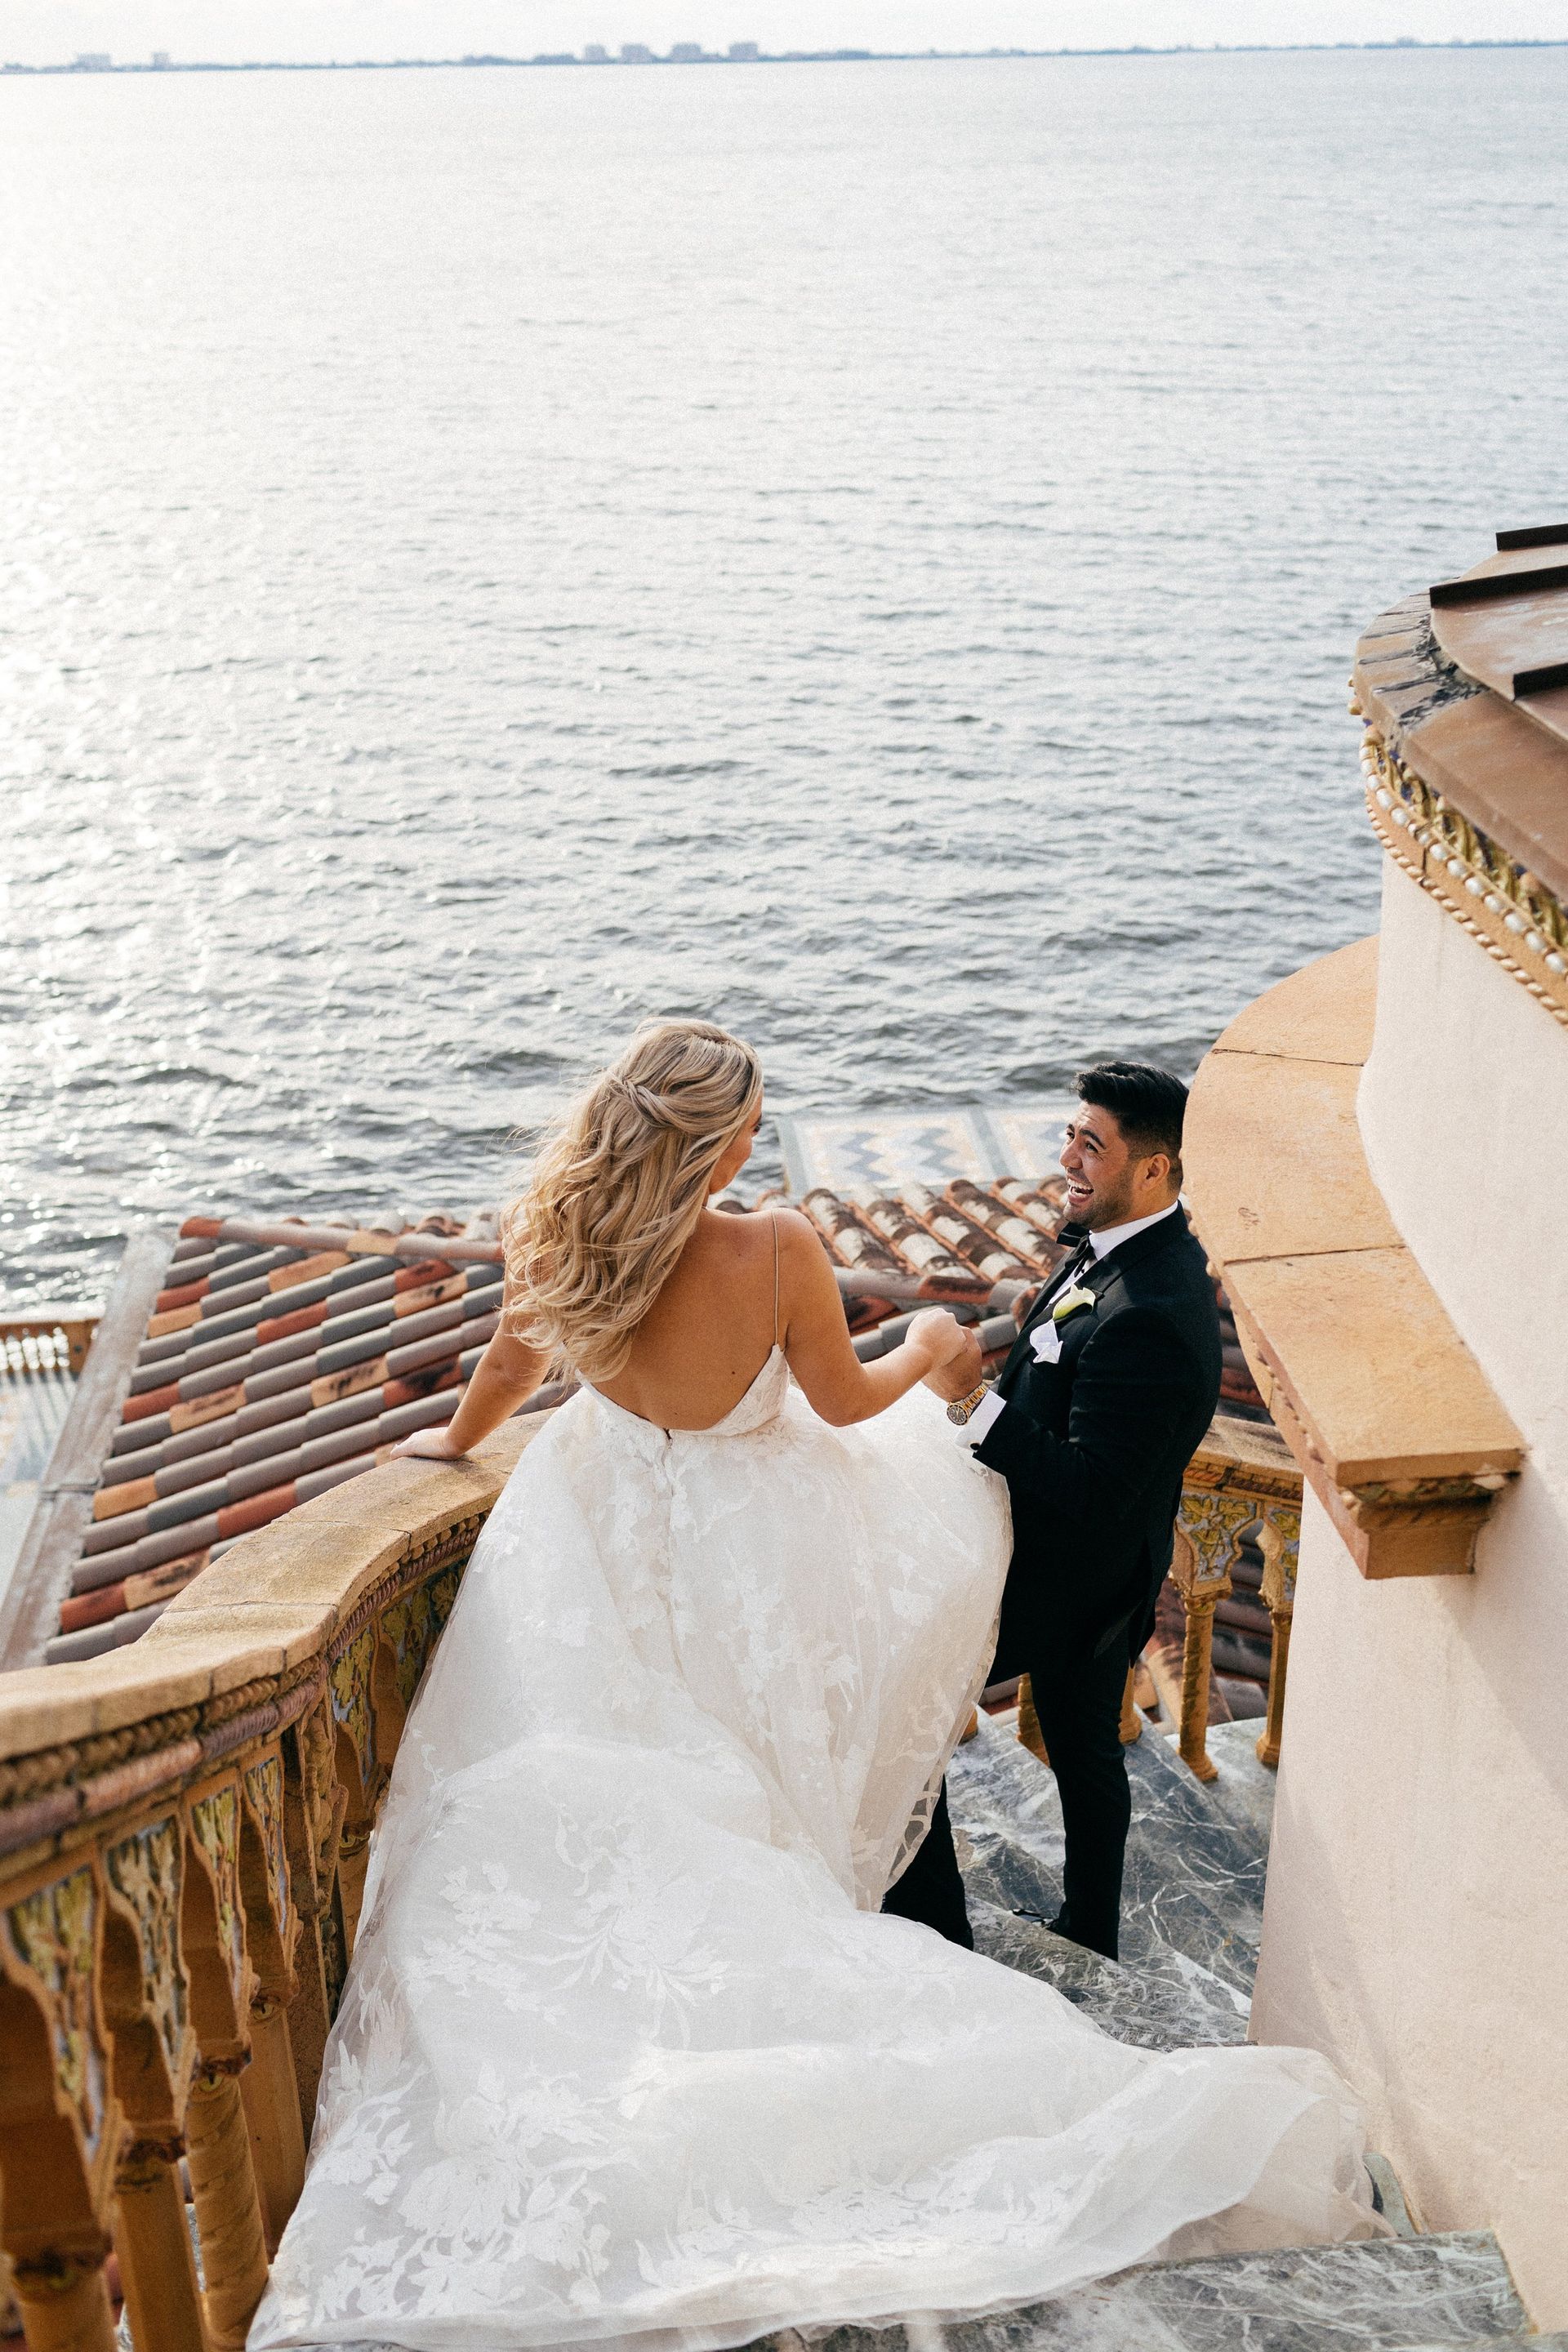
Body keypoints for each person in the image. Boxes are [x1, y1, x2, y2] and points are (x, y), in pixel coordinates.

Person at [250, 1022, 1380, 2352]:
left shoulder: (558, 1234)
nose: (755, 1143)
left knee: (614, 1752)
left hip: (600, 1532)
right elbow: (844, 1409)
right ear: (712, 1139)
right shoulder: (775, 1247)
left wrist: (444, 1448)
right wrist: (929, 1353)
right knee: (775, 1747)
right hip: (746, 1545)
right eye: (747, 1124)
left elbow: (507, 1371)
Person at [900, 1062, 1221, 1962]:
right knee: (1086, 1750)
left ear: (1154, 1170)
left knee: (911, 1703)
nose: (1068, 1156)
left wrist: (972, 1401)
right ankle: (1092, 1927)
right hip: (1084, 1562)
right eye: (1070, 1134)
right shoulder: (1120, 1244)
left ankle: (934, 1928)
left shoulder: (1153, 1312)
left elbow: (1090, 1485)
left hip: (1066, 1579)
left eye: (1093, 1143)